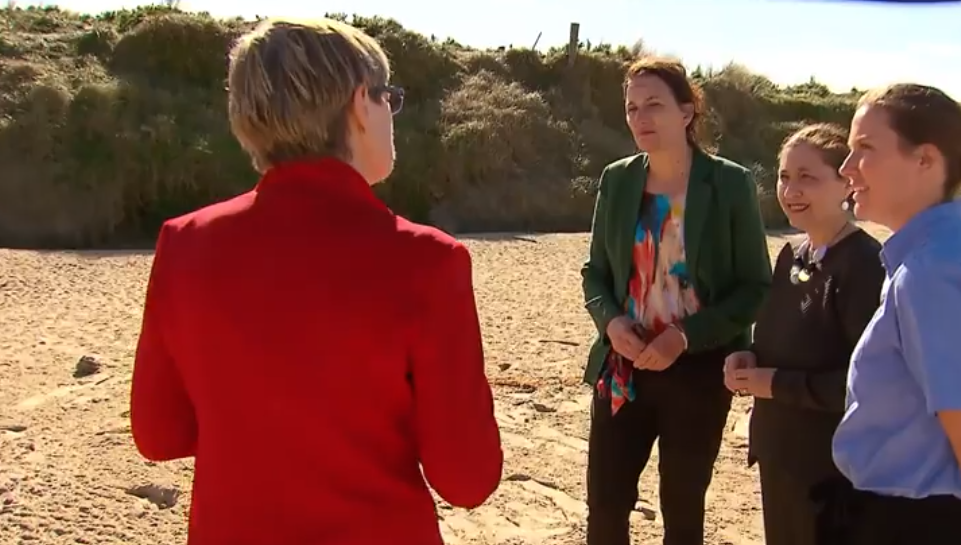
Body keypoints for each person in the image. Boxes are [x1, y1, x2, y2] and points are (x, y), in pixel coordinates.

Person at [128, 17, 503, 545]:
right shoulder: (426, 261)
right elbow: (467, 478)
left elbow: (158, 433)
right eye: (388, 98)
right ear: (358, 104)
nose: (391, 115)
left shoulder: (184, 242)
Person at [816, 83, 961, 545]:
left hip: (918, 526)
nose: (846, 169)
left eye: (864, 149)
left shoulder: (932, 274)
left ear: (925, 159)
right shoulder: (938, 256)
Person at [580, 56, 773, 545]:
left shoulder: (728, 183)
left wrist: (683, 337)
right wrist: (611, 324)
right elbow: (595, 274)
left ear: (687, 112)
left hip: (699, 370)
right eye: (631, 108)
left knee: (682, 510)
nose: (641, 118)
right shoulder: (617, 179)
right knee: (604, 506)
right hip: (623, 367)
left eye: (654, 105)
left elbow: (755, 287)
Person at [722, 123, 885, 545]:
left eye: (807, 178)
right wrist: (749, 358)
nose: (791, 190)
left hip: (832, 469)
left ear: (845, 183)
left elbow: (865, 385)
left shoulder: (865, 265)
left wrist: (771, 383)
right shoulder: (792, 253)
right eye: (784, 176)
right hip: (781, 454)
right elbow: (784, 339)